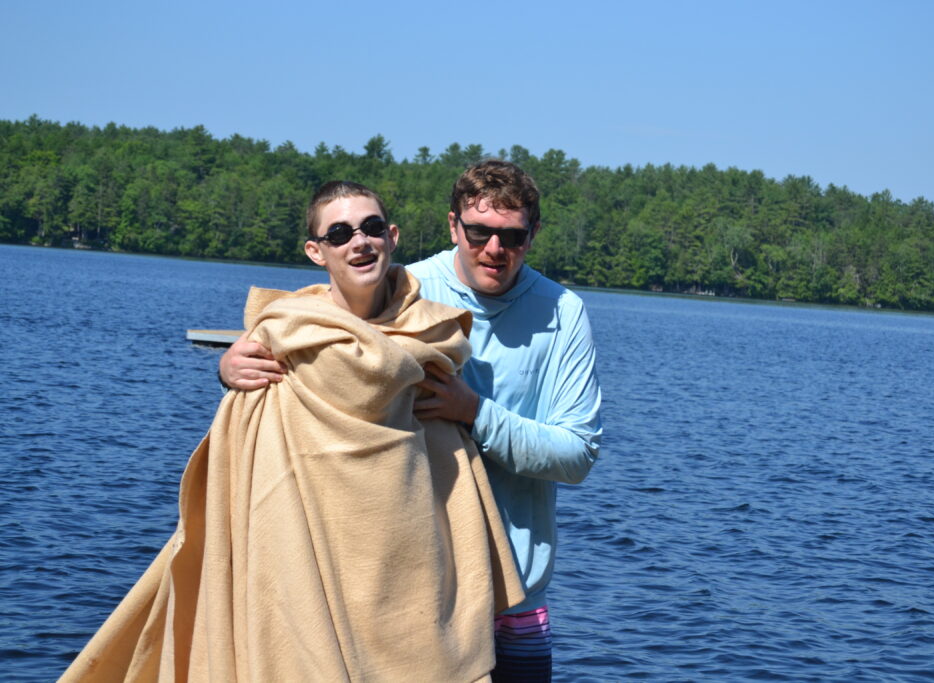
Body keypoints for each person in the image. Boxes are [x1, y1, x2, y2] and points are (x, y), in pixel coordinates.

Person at [62, 181, 523, 682]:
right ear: (316, 251)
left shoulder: (431, 336)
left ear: (392, 237)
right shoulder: (284, 336)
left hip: (409, 572)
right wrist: (225, 371)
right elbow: (247, 449)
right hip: (305, 559)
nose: (359, 241)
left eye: (370, 228)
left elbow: (447, 460)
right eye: (340, 233)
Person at [222, 161, 603, 681]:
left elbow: (576, 455)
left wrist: (475, 413)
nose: (495, 248)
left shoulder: (564, 311)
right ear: (453, 226)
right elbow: (321, 331)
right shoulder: (406, 288)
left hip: (518, 588)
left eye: (512, 235)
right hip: (417, 595)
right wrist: (234, 364)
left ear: (533, 234)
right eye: (479, 232)